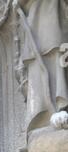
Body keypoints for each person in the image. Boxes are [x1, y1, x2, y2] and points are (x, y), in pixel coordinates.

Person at [13, 0, 68, 131]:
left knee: (56, 53)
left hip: (55, 16)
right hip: (41, 19)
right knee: (49, 57)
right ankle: (52, 111)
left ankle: (60, 108)